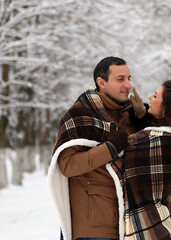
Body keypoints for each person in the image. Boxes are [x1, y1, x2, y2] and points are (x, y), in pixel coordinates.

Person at [48, 56, 153, 240]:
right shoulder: (79, 114)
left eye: (129, 78)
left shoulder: (129, 115)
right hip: (94, 228)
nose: (128, 85)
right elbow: (67, 165)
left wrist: (143, 118)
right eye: (120, 79)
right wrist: (111, 147)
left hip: (130, 223)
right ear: (101, 82)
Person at [108, 80, 171, 240]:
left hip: (151, 224)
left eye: (156, 95)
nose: (149, 97)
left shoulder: (147, 141)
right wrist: (141, 115)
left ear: (167, 106)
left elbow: (114, 158)